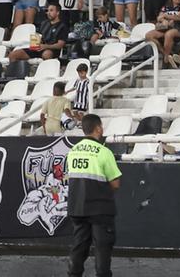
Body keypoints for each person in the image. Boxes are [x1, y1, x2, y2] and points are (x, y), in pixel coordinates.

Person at [65, 113, 121, 277]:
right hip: (100, 209)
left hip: (77, 207)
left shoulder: (73, 151)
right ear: (98, 128)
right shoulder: (104, 152)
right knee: (103, 249)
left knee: (78, 246)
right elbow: (116, 183)